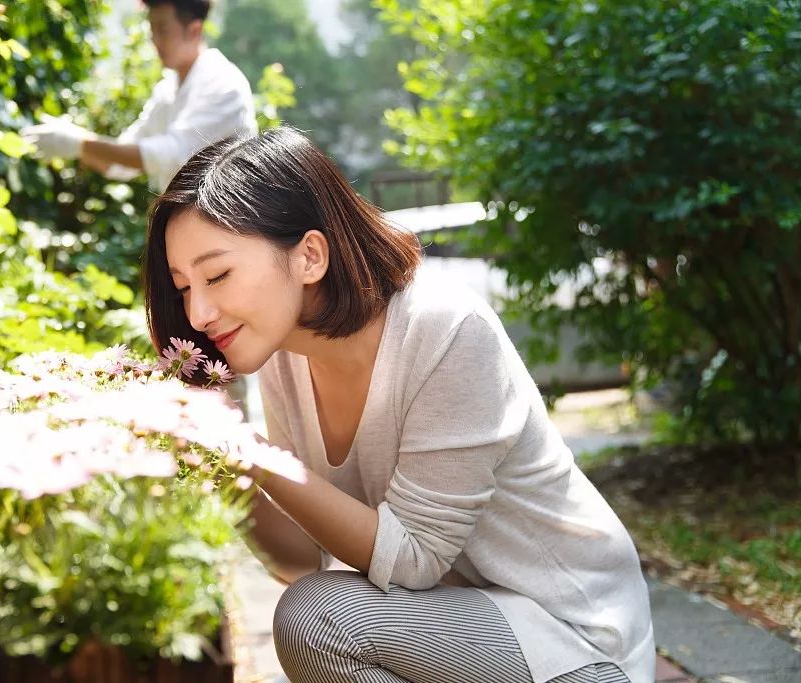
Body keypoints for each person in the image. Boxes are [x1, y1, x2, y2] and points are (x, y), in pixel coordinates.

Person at [142, 128, 655, 683]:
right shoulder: (284, 358)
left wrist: (249, 449)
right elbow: (302, 561)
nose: (197, 314)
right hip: (456, 634)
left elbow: (412, 559)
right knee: (312, 612)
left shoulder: (446, 329)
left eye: (217, 275)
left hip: (573, 639)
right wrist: (222, 464)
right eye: (183, 287)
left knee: (320, 620)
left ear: (310, 256)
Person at [21, 0, 256, 193]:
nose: (154, 40)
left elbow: (170, 154)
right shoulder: (168, 89)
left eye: (162, 30)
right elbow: (124, 158)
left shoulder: (223, 84)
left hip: (232, 227)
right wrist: (74, 144)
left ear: (194, 30)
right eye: (152, 29)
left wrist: (79, 143)